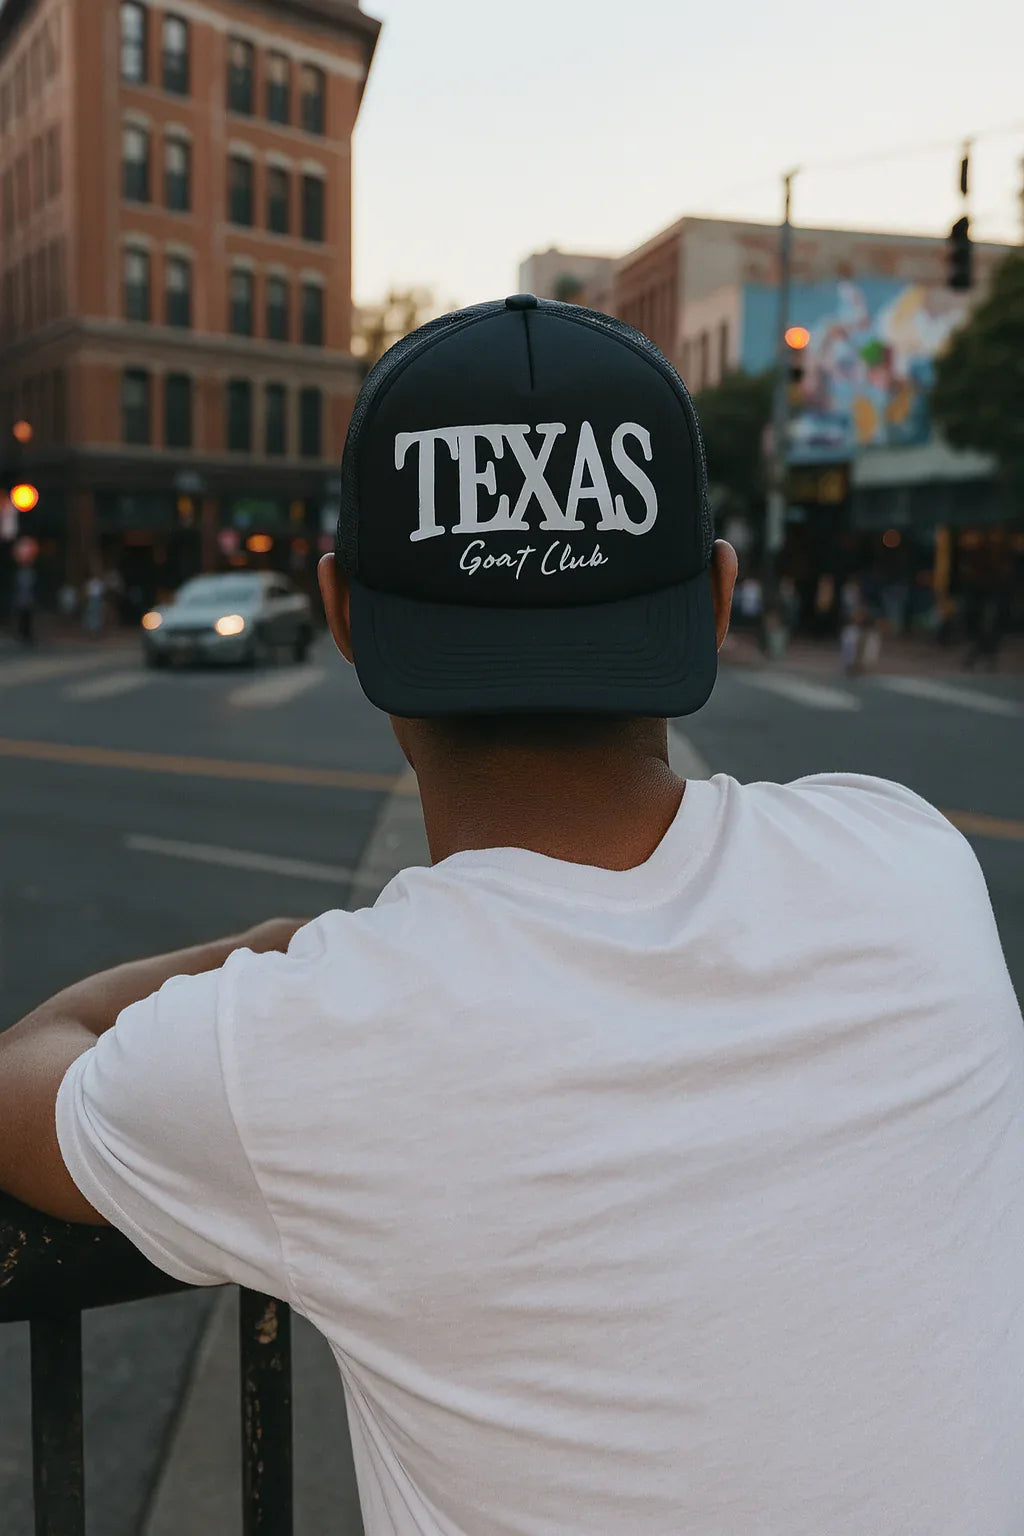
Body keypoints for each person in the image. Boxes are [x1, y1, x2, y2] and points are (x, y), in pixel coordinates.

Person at [2, 296, 1023, 1536]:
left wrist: (249, 956)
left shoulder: (288, 1051)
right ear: (713, 599)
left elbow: (22, 1075)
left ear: (343, 619)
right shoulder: (912, 862)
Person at [11, 559, 37, 645]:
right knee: (22, 618)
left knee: (27, 618)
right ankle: (22, 634)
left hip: (28, 600)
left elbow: (33, 588)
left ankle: (27, 635)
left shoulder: (31, 574)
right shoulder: (20, 574)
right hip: (22, 600)